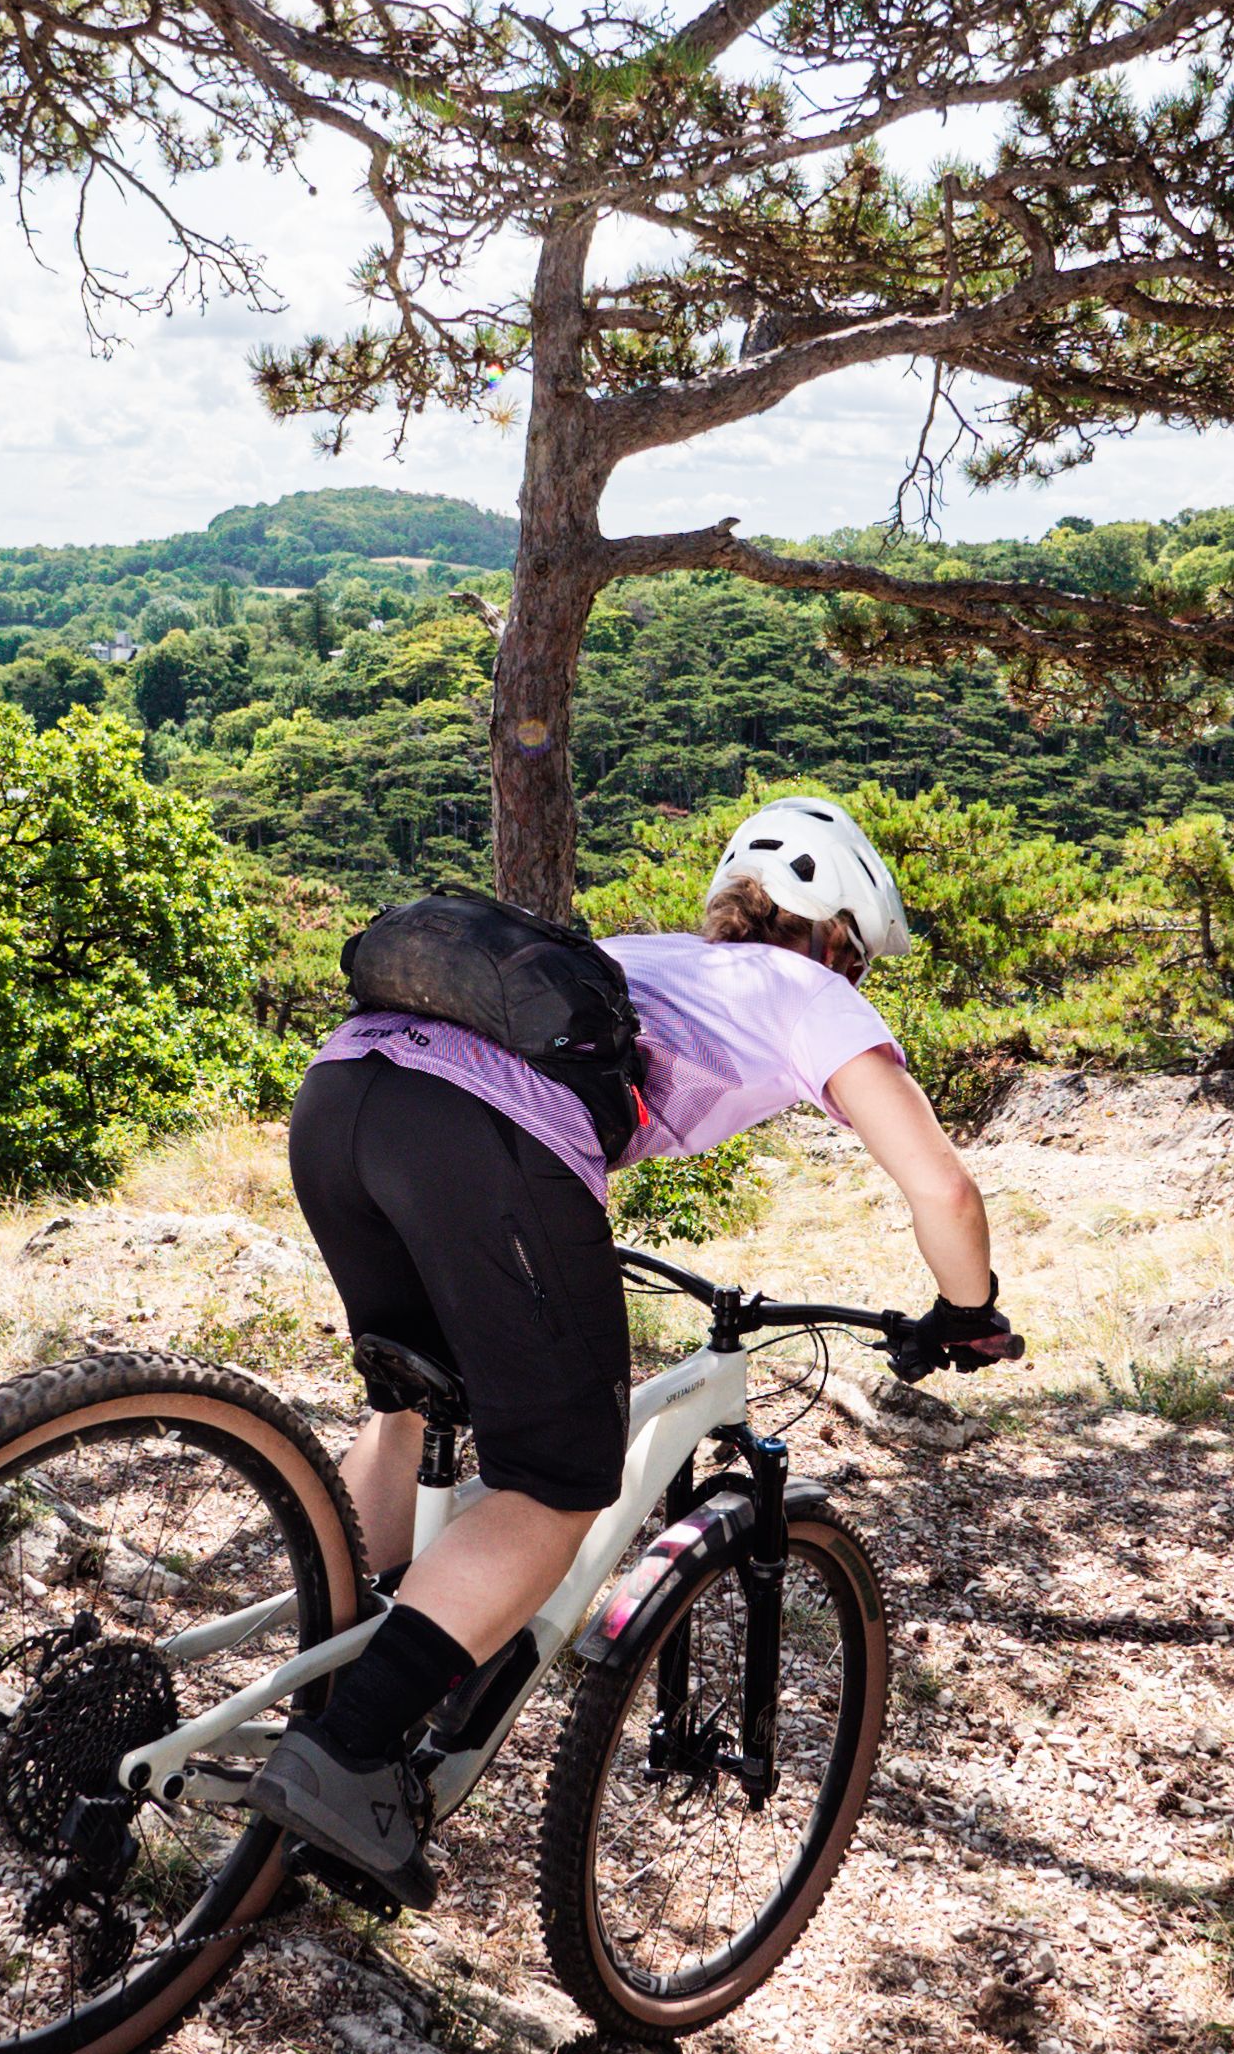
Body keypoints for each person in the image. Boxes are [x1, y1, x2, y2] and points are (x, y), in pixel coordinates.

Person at [258, 795, 1021, 1888]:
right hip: (478, 1144)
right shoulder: (810, 992)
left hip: (340, 1099)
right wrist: (966, 1309)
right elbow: (942, 1186)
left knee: (410, 1408)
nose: (852, 980)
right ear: (840, 936)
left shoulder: (638, 956)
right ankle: (343, 1757)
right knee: (557, 1482)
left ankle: (327, 1694)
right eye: (858, 961)